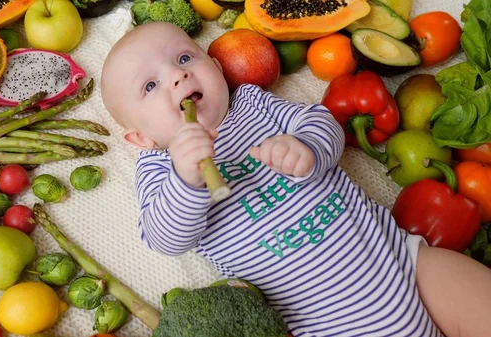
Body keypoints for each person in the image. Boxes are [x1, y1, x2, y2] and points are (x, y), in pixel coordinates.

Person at [100, 21, 491, 337]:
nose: (177, 75)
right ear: (141, 138)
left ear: (217, 69)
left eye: (184, 57)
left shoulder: (252, 104)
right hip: (318, 317)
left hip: (403, 262)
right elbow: (165, 238)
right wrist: (187, 181)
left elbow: (323, 122)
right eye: (150, 86)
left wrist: (307, 148)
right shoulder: (159, 166)